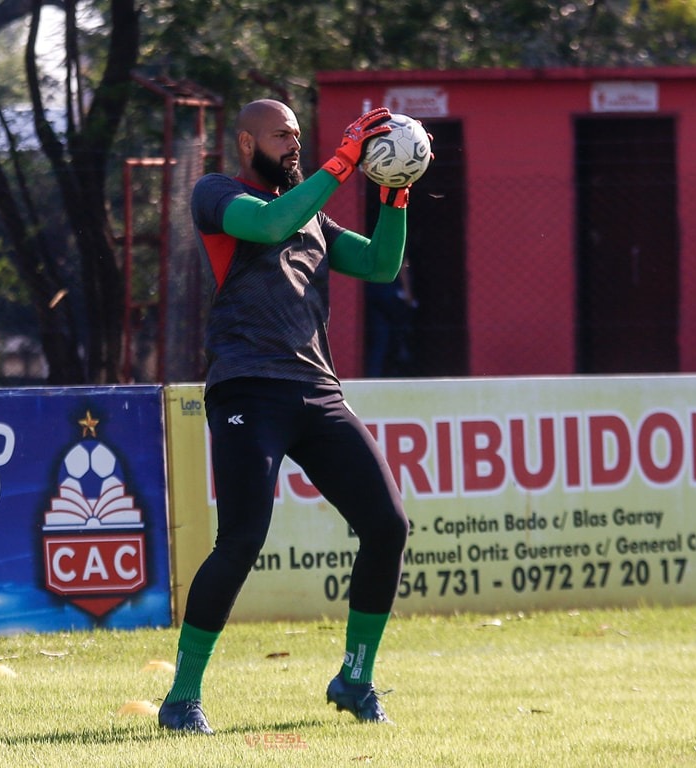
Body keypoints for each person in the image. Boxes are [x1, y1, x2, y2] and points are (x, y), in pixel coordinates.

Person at [158, 99, 413, 735]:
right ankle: (182, 698)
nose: (294, 145)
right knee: (242, 539)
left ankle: (355, 679)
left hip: (317, 392)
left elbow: (382, 265)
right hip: (248, 390)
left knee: (388, 526)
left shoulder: (314, 218)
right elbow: (270, 225)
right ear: (247, 143)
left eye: (300, 135)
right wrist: (346, 160)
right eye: (281, 136)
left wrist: (396, 193)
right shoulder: (217, 194)